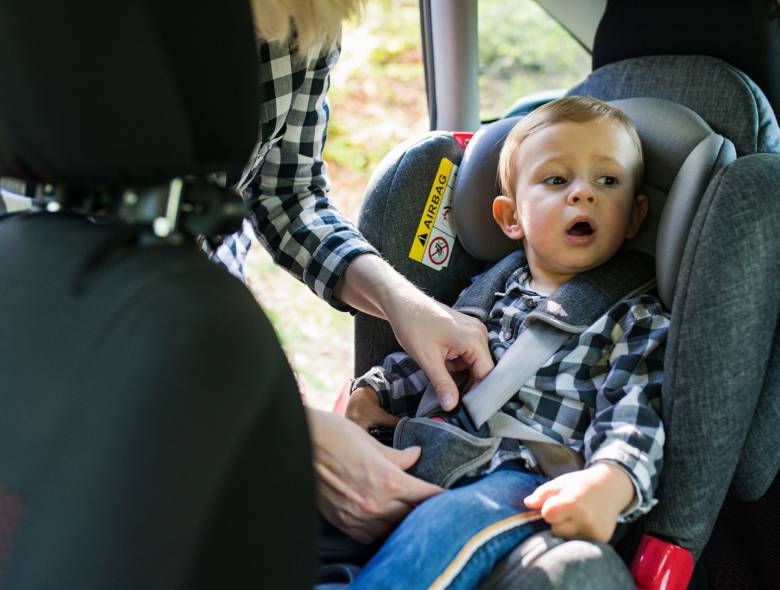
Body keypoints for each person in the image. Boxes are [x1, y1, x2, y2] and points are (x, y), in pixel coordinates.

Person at [344, 96, 668, 588]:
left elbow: (636, 412)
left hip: (527, 477)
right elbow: (436, 364)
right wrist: (373, 392)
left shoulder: (633, 317)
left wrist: (611, 482)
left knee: (441, 531)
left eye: (607, 180)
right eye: (558, 180)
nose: (584, 194)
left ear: (634, 216)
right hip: (434, 448)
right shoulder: (487, 293)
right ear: (511, 218)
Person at [226, 0, 494, 544]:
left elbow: (288, 196)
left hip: (211, 327)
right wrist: (292, 435)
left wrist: (402, 300)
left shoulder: (305, 22)